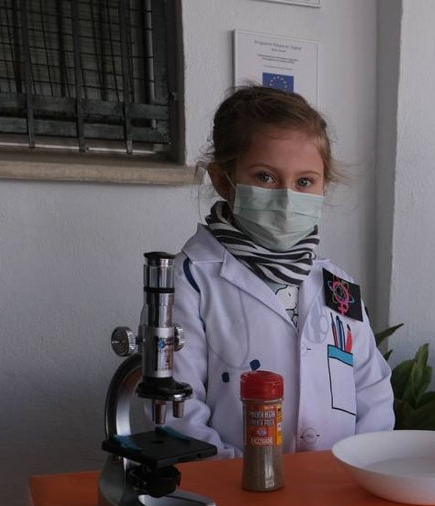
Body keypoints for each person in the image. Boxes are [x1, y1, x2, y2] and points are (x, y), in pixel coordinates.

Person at [161, 85, 394, 456]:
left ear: (323, 185)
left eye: (304, 182)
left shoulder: (337, 285)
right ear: (224, 180)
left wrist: (357, 465)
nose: (287, 197)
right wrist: (244, 477)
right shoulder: (190, 281)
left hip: (337, 487)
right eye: (266, 177)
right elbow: (176, 410)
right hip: (236, 490)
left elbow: (372, 390)